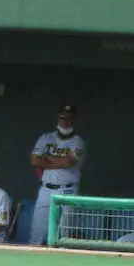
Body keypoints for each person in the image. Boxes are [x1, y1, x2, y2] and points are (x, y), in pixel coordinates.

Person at [28, 104, 86, 245]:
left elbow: (68, 162)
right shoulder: (45, 138)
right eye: (62, 118)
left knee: (64, 232)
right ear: (57, 119)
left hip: (68, 190)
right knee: (37, 231)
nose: (65, 122)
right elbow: (34, 160)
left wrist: (46, 159)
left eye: (69, 118)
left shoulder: (78, 141)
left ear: (74, 120)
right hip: (46, 189)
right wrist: (58, 161)